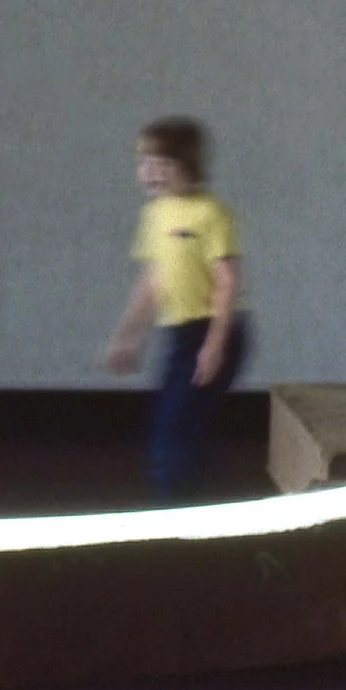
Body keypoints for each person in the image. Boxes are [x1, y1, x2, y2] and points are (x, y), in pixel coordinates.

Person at [100, 117, 249, 501]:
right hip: (180, 333)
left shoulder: (211, 213)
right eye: (143, 163)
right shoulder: (154, 215)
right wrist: (128, 337)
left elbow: (228, 281)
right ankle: (190, 501)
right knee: (173, 424)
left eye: (161, 164)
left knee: (177, 429)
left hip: (214, 330)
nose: (149, 172)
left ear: (187, 165)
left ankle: (179, 513)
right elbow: (152, 281)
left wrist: (215, 345)